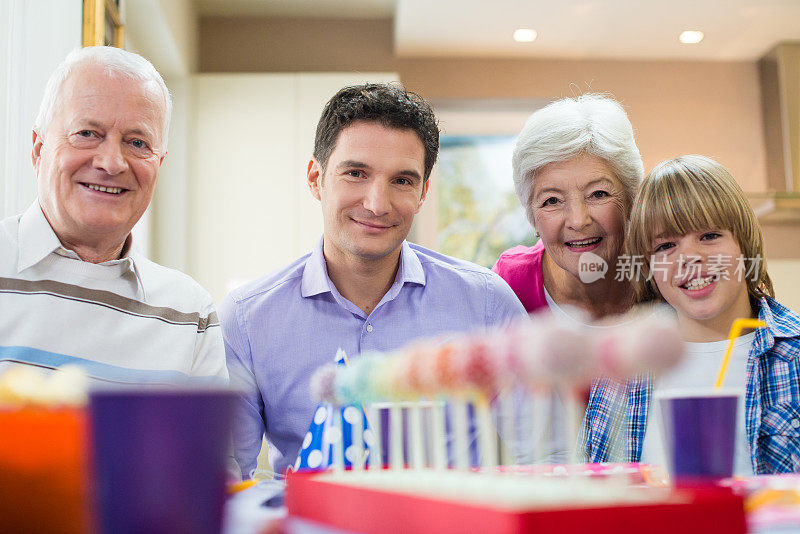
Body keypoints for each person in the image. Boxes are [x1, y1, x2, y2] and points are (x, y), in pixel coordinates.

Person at [219, 83, 527, 478]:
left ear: (422, 193)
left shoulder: (486, 303)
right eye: (355, 173)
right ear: (316, 177)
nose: (377, 204)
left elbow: (546, 455)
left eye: (402, 181)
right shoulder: (247, 319)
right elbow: (227, 479)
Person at [0, 46, 226, 385]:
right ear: (38, 148)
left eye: (137, 143)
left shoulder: (189, 315)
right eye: (87, 134)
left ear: (158, 165)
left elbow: (203, 441)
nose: (111, 163)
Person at [585, 155, 800, 474]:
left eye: (709, 236)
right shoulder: (622, 367)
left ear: (744, 244)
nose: (689, 257)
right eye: (666, 246)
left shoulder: (793, 355)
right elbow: (593, 494)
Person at [492, 94, 644, 322]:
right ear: (533, 218)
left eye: (598, 194)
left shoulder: (666, 273)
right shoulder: (509, 283)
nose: (578, 220)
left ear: (631, 200)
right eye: (552, 200)